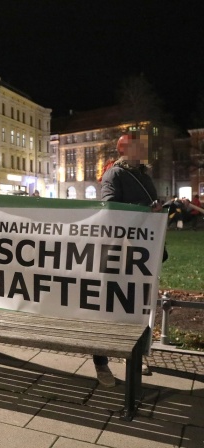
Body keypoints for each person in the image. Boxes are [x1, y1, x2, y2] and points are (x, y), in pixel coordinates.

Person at [98, 133, 161, 387]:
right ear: (124, 149)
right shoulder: (114, 174)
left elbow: (149, 206)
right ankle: (100, 363)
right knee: (109, 308)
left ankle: (133, 354)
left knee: (139, 307)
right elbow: (111, 208)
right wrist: (146, 210)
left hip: (145, 249)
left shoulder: (144, 175)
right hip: (121, 250)